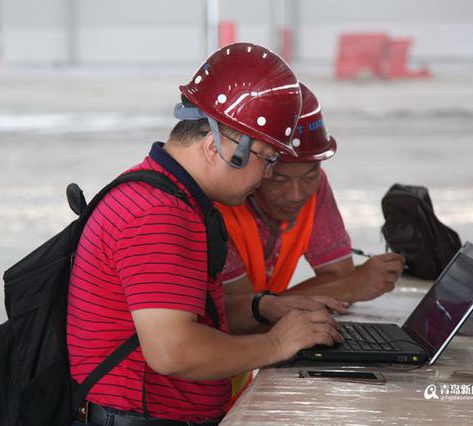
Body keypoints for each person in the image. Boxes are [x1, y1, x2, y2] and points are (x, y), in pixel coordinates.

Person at [67, 43, 345, 426]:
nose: (266, 175)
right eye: (267, 158)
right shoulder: (159, 213)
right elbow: (173, 351)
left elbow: (183, 315)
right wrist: (277, 343)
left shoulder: (168, 194)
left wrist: (262, 307)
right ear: (219, 147)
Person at [218, 82, 405, 304]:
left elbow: (339, 274)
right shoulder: (219, 203)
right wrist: (347, 289)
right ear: (250, 164)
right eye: (279, 180)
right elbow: (237, 313)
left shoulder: (316, 188)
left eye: (309, 176)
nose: (296, 195)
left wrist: (346, 285)